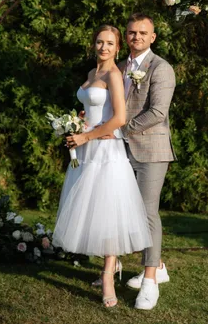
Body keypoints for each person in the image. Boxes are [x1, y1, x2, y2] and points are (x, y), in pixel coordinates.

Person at [52, 25, 152, 308]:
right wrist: (78, 121)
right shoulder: (91, 74)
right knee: (91, 210)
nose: (104, 47)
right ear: (93, 44)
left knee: (108, 212)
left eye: (110, 43)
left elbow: (119, 118)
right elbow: (96, 109)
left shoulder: (114, 75)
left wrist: (85, 135)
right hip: (86, 151)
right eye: (99, 42)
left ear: (117, 48)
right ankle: (110, 268)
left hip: (106, 151)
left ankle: (108, 276)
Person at [92, 13, 176, 310]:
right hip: (117, 152)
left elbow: (157, 113)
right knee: (115, 209)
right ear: (125, 37)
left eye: (143, 33)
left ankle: (151, 279)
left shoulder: (161, 68)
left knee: (146, 212)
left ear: (153, 37)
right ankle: (116, 268)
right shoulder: (120, 66)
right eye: (131, 32)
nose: (136, 37)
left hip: (150, 152)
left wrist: (118, 129)